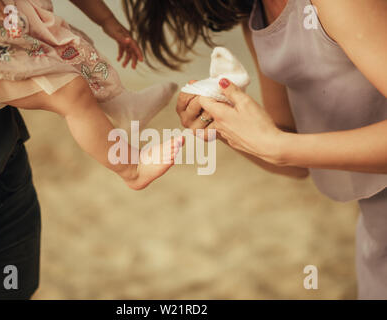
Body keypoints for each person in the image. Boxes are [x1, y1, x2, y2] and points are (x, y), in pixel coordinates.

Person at [122, 0, 387, 298]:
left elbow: (285, 146)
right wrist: (223, 126)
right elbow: (295, 159)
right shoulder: (258, 16)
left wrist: (279, 146)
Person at [0, 0, 183, 192]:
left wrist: (107, 21)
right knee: (71, 92)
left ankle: (123, 105)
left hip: (14, 34)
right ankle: (131, 169)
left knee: (73, 51)